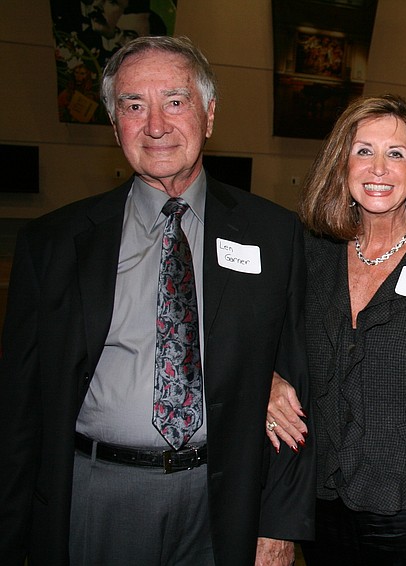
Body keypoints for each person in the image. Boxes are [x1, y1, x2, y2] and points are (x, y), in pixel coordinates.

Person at [0, 36, 313, 565]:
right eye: (133, 105)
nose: (156, 125)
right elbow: (19, 410)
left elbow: (296, 384)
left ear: (209, 115)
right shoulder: (52, 244)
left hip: (222, 503)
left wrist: (278, 525)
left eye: (174, 101)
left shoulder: (274, 235)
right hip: (97, 498)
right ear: (114, 123)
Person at [266, 94, 406, 566]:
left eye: (396, 154)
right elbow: (267, 342)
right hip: (319, 505)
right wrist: (268, 381)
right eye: (363, 151)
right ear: (342, 166)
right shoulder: (312, 255)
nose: (378, 168)